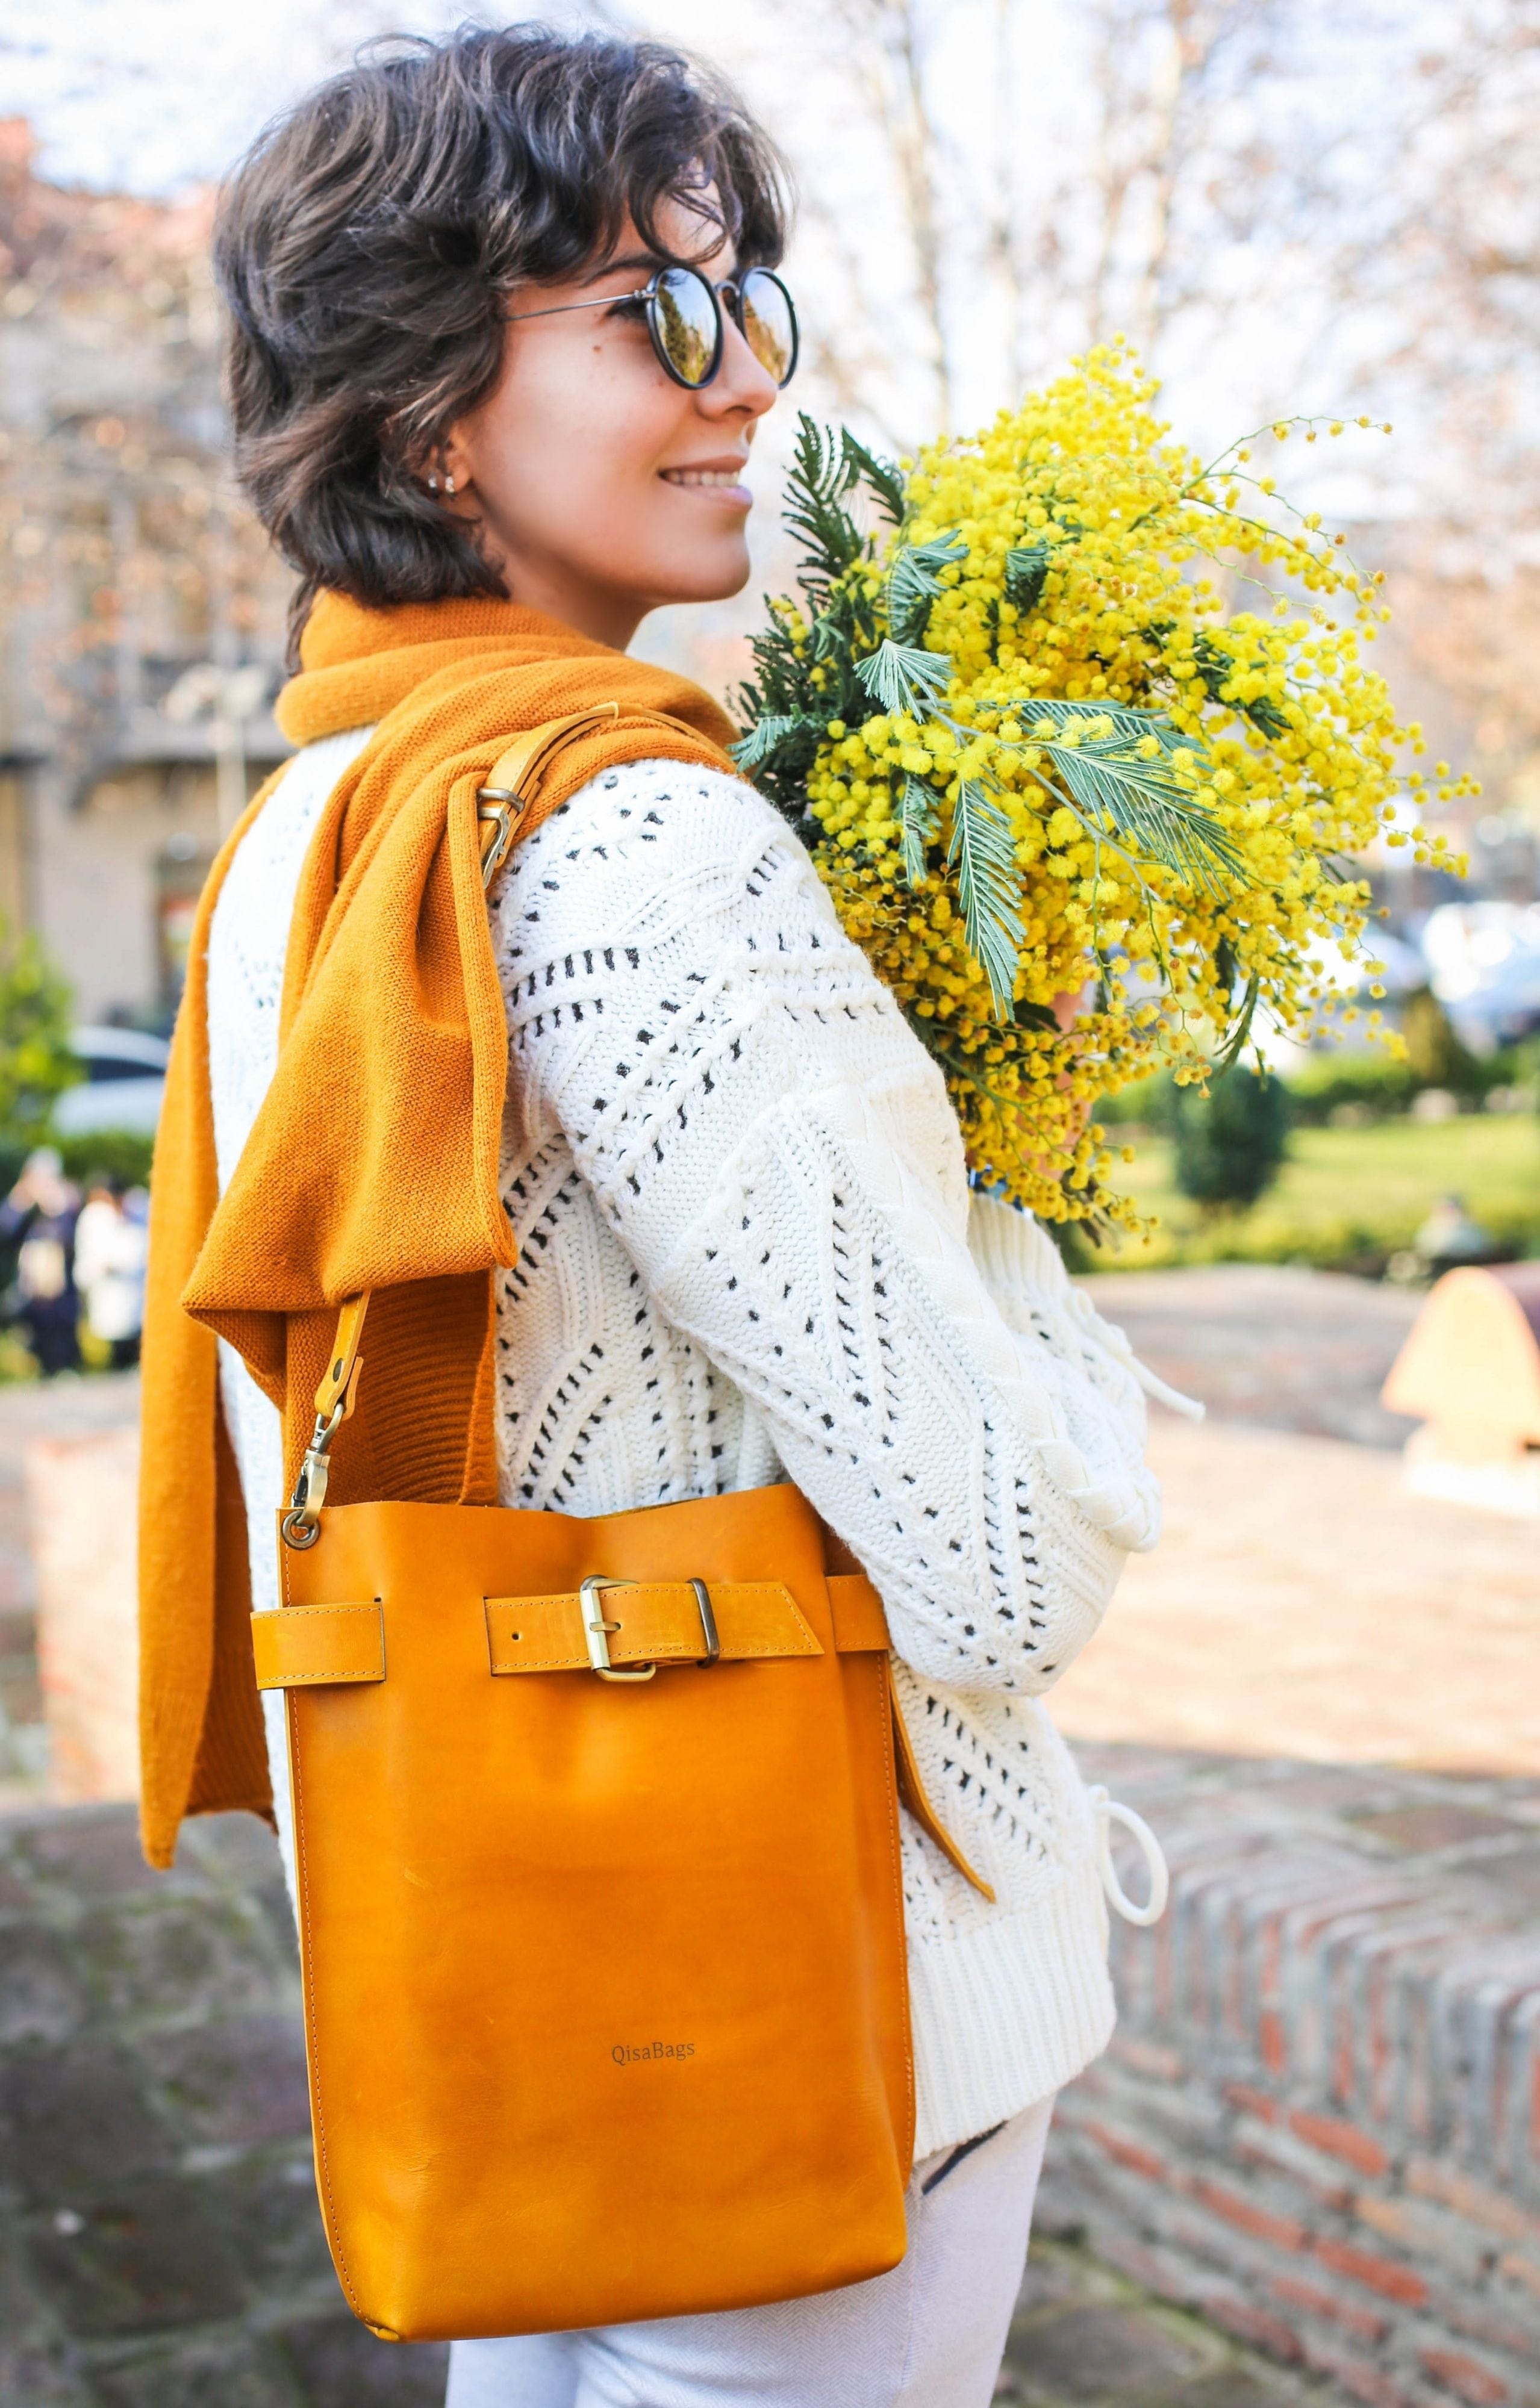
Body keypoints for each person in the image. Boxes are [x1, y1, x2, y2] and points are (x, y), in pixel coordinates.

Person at [140, 27, 1165, 2407]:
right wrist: (1013, 1205)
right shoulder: (636, 843)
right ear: (420, 408)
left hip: (505, 1983)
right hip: (820, 2015)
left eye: (750, 300)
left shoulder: (313, 828)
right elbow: (1000, 1568)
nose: (745, 383)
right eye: (651, 316)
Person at [1, 1146, 81, 1377]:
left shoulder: (65, 1199)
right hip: (31, 1280)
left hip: (59, 1281)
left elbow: (71, 1235)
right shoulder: (22, 1201)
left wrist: (58, 1206)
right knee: (33, 1326)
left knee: (62, 1323)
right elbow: (6, 1232)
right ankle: (42, 1366)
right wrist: (21, 1201)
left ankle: (64, 1366)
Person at [73, 1173, 148, 1369]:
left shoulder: (139, 1211)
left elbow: (141, 1250)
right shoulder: (94, 1218)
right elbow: (87, 1255)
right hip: (107, 1293)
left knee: (134, 1343)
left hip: (135, 1295)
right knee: (115, 1345)